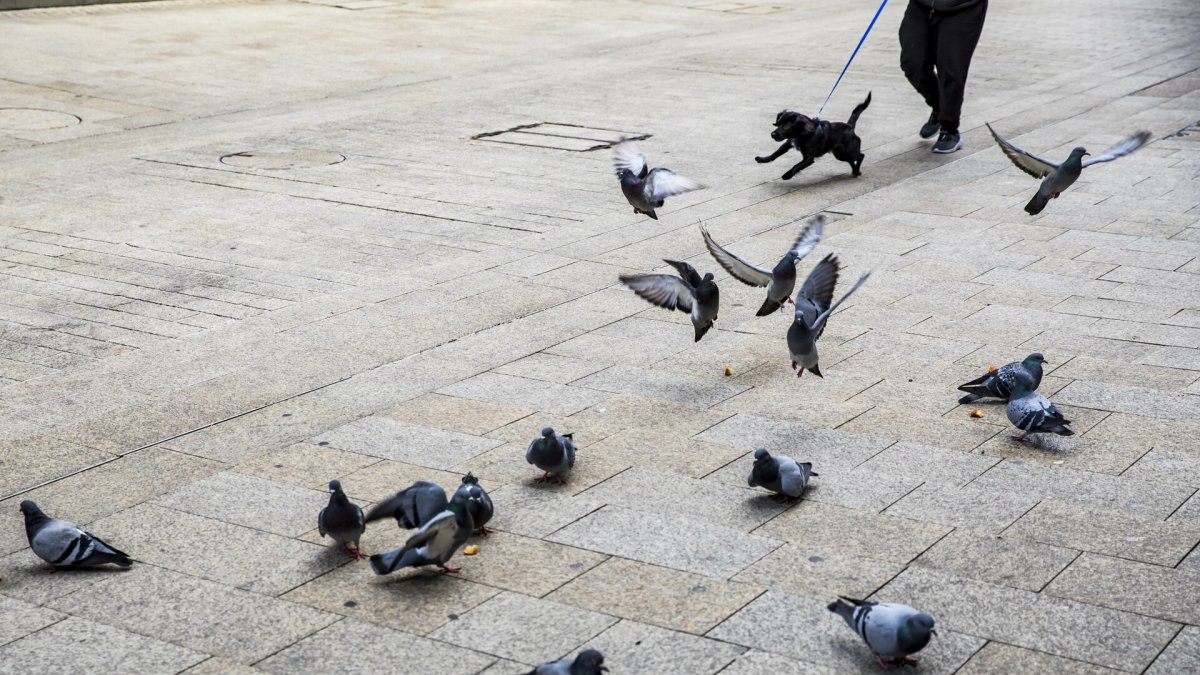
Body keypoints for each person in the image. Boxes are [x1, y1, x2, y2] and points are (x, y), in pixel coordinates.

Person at [899, 0, 988, 154]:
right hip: (921, 5)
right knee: (913, 62)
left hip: (962, 7)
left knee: (951, 67)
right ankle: (939, 106)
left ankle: (949, 128)